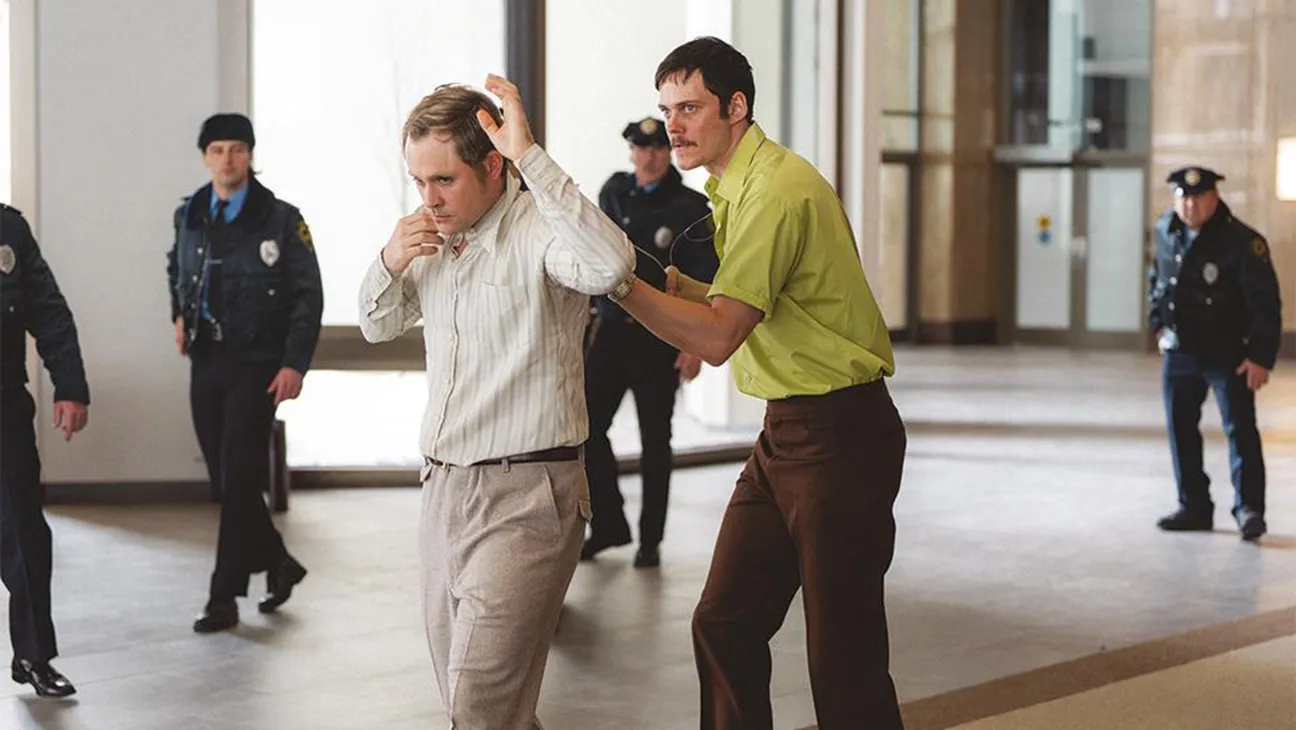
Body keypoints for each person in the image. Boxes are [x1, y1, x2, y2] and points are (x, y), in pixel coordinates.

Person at [607, 37, 907, 729]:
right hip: (787, 434)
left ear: (736, 106)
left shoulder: (774, 191)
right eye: (666, 109)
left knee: (844, 659)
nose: (673, 125)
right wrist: (671, 284)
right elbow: (748, 300)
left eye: (689, 108)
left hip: (840, 435)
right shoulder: (737, 187)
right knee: (725, 623)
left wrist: (622, 289)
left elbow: (718, 337)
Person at [357, 78, 633, 729]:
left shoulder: (541, 229)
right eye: (418, 181)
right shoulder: (432, 239)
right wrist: (389, 259)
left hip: (528, 494)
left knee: (479, 704)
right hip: (442, 492)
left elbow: (611, 269)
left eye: (443, 180)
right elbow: (375, 324)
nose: (428, 198)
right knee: (482, 706)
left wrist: (530, 155)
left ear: (491, 165)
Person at [167, 113, 324, 633]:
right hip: (206, 359)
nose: (227, 159)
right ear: (204, 157)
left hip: (257, 364)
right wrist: (178, 314)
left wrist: (294, 362)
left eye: (237, 148)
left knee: (239, 479)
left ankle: (223, 597)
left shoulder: (280, 219)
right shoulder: (190, 213)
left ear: (250, 154)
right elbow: (176, 266)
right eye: (217, 150)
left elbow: (308, 295)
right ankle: (279, 561)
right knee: (224, 479)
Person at [580, 116, 719, 569]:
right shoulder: (614, 193)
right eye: (641, 149)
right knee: (585, 429)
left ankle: (650, 540)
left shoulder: (690, 208)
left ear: (668, 153)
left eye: (658, 149)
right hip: (610, 332)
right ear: (631, 152)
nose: (649, 157)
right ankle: (608, 524)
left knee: (655, 441)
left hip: (659, 337)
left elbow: (706, 281)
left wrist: (694, 346)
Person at [1148, 166, 1281, 541]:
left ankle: (1249, 509)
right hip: (1180, 351)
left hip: (1227, 352)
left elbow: (1265, 304)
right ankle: (1194, 506)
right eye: (1183, 198)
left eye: (1198, 197)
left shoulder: (1242, 242)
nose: (1190, 205)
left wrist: (1260, 356)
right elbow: (1158, 280)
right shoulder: (1165, 230)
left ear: (1214, 198)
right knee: (1181, 430)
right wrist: (1157, 323)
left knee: (1240, 430)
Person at [0, 202, 88, 697]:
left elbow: (49, 311)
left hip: (3, 406)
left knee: (25, 532)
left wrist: (70, 386)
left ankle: (34, 656)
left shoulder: (7, 229)